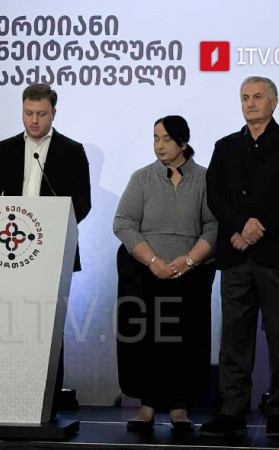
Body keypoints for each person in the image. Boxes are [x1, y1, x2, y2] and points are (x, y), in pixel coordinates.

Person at [201, 76, 279, 438]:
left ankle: (278, 411)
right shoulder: (225, 146)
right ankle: (232, 410)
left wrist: (256, 228)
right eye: (245, 97)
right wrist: (240, 226)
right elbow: (215, 195)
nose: (250, 103)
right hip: (235, 256)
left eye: (258, 97)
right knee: (235, 338)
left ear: (273, 103)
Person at [0, 83, 91, 418]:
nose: (34, 120)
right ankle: (7, 398)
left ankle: (48, 404)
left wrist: (53, 226)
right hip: (8, 252)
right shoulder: (5, 149)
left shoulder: (72, 151)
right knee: (9, 326)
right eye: (28, 113)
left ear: (53, 113)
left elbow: (83, 202)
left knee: (48, 331)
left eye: (41, 114)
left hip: (52, 252)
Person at [113, 115, 217, 433]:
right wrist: (153, 260)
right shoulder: (142, 178)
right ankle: (146, 407)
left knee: (185, 342)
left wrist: (189, 260)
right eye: (155, 138)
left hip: (190, 275)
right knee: (145, 340)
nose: (159, 145)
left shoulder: (204, 178)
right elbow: (123, 222)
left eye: (166, 139)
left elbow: (214, 225)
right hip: (145, 272)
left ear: (183, 143)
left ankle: (179, 408)